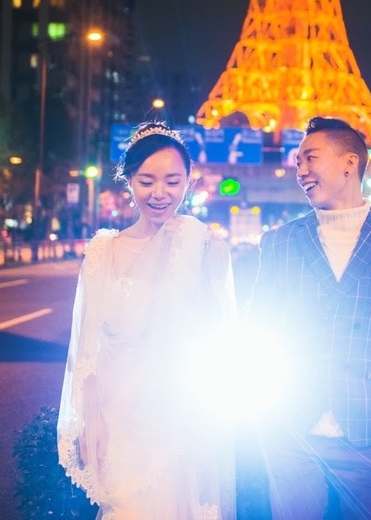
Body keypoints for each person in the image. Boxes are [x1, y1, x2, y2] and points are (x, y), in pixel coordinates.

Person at [248, 116, 371, 519]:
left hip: (369, 432)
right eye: (298, 162)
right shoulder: (280, 242)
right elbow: (256, 330)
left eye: (309, 159)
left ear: (349, 163)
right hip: (290, 428)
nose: (300, 171)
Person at [58, 121, 237, 519]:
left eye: (173, 181)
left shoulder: (207, 246)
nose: (160, 193)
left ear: (189, 182)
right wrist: (91, 424)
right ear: (129, 182)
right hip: (119, 422)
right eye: (147, 181)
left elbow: (221, 338)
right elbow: (87, 354)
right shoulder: (103, 252)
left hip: (180, 416)